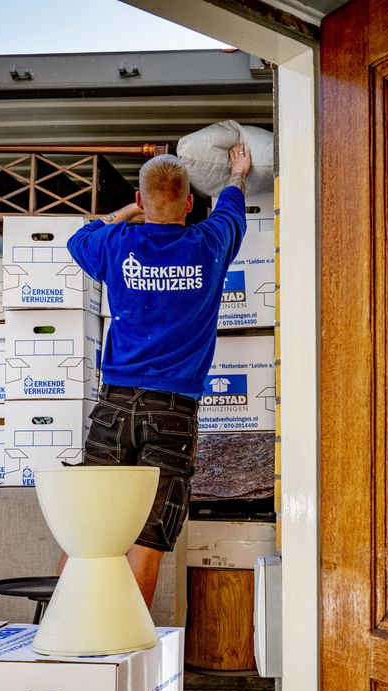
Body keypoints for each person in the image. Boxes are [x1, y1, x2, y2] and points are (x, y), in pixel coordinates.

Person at [63, 146, 252, 607]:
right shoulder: (210, 244)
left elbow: (79, 237)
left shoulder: (115, 244)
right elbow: (232, 205)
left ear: (142, 201)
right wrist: (238, 172)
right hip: (173, 412)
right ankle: (126, 650)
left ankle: (68, 636)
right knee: (148, 537)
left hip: (114, 405)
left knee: (89, 530)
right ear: (190, 203)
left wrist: (130, 209)